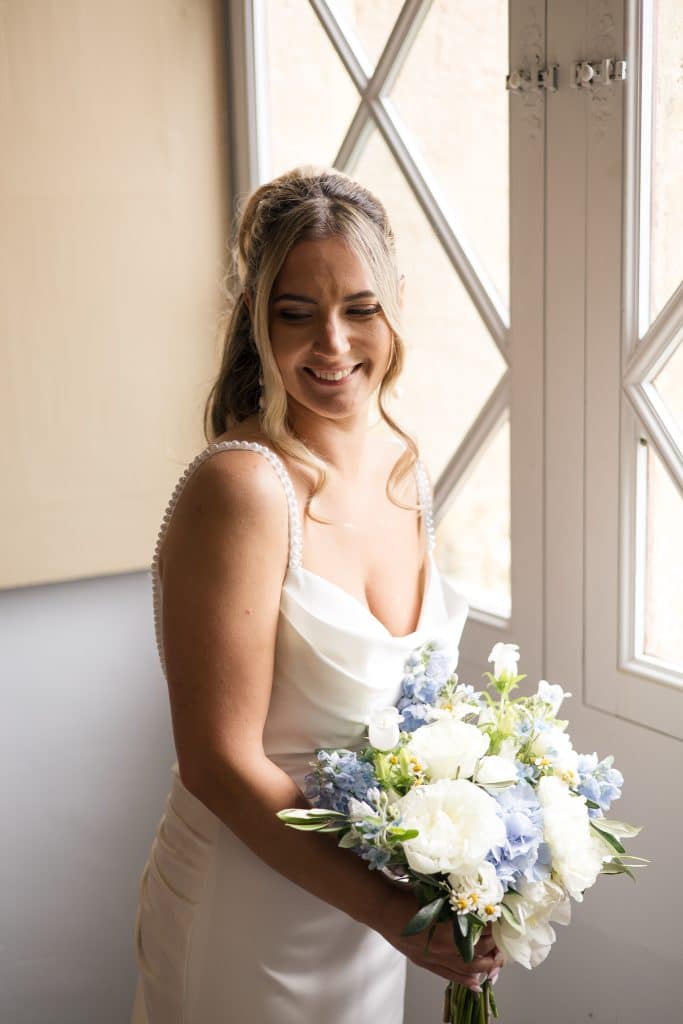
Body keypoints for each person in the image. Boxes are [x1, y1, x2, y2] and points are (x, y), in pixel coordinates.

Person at [130, 166, 505, 1024]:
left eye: (359, 307)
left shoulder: (405, 467)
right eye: (296, 314)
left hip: (364, 917)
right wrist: (391, 913)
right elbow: (218, 765)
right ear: (256, 320)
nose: (332, 344)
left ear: (397, 302)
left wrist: (466, 849)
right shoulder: (242, 489)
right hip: (249, 911)